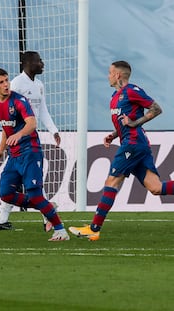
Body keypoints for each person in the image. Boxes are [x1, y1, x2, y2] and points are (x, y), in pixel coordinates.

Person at [69, 60, 174, 241]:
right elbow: (125, 123)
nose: (108, 76)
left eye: (110, 72)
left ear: (118, 75)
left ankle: (94, 228)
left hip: (133, 144)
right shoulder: (115, 96)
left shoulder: (132, 91)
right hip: (133, 144)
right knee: (156, 188)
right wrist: (114, 134)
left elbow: (156, 109)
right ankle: (94, 229)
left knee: (112, 181)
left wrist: (134, 123)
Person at [0, 68, 69, 241]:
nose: (6, 85)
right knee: (6, 193)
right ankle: (48, 207)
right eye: (1, 82)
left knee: (35, 195)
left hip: (30, 152)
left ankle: (61, 230)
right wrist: (1, 150)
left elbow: (31, 123)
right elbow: (6, 129)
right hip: (13, 156)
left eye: (7, 80)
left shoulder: (19, 101)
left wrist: (19, 135)